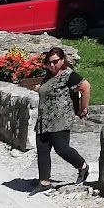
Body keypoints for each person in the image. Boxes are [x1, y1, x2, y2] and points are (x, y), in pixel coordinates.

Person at [34, 46, 90, 187]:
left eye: (56, 61)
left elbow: (86, 87)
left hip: (60, 119)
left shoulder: (68, 75)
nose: (52, 65)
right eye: (49, 62)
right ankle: (44, 182)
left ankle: (82, 166)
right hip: (44, 119)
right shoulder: (49, 75)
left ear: (63, 59)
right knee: (42, 150)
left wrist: (83, 109)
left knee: (62, 148)